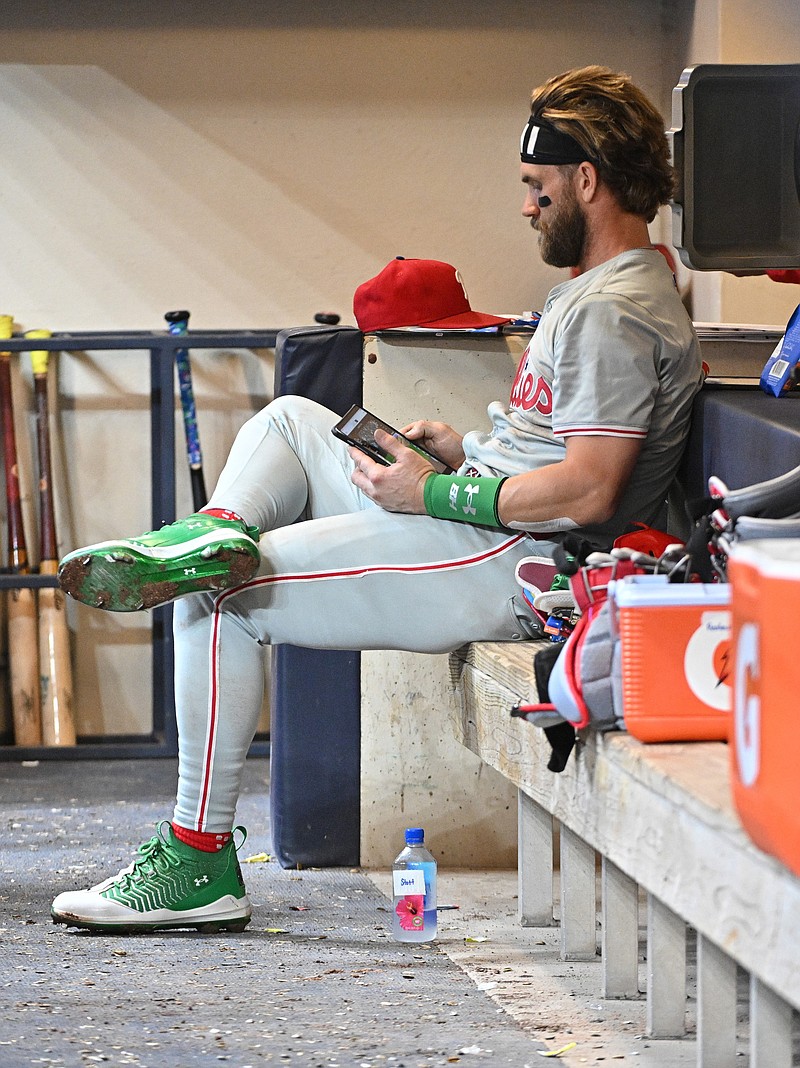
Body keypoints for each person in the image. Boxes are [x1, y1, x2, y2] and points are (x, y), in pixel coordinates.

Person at [52, 65, 703, 933]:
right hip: (477, 510)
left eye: (535, 187)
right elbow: (551, 448)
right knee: (289, 421)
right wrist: (462, 451)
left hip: (513, 563)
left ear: (587, 179)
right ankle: (211, 530)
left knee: (217, 596)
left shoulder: (616, 309)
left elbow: (588, 492)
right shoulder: (601, 293)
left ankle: (197, 860)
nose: (526, 207)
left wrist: (434, 487)